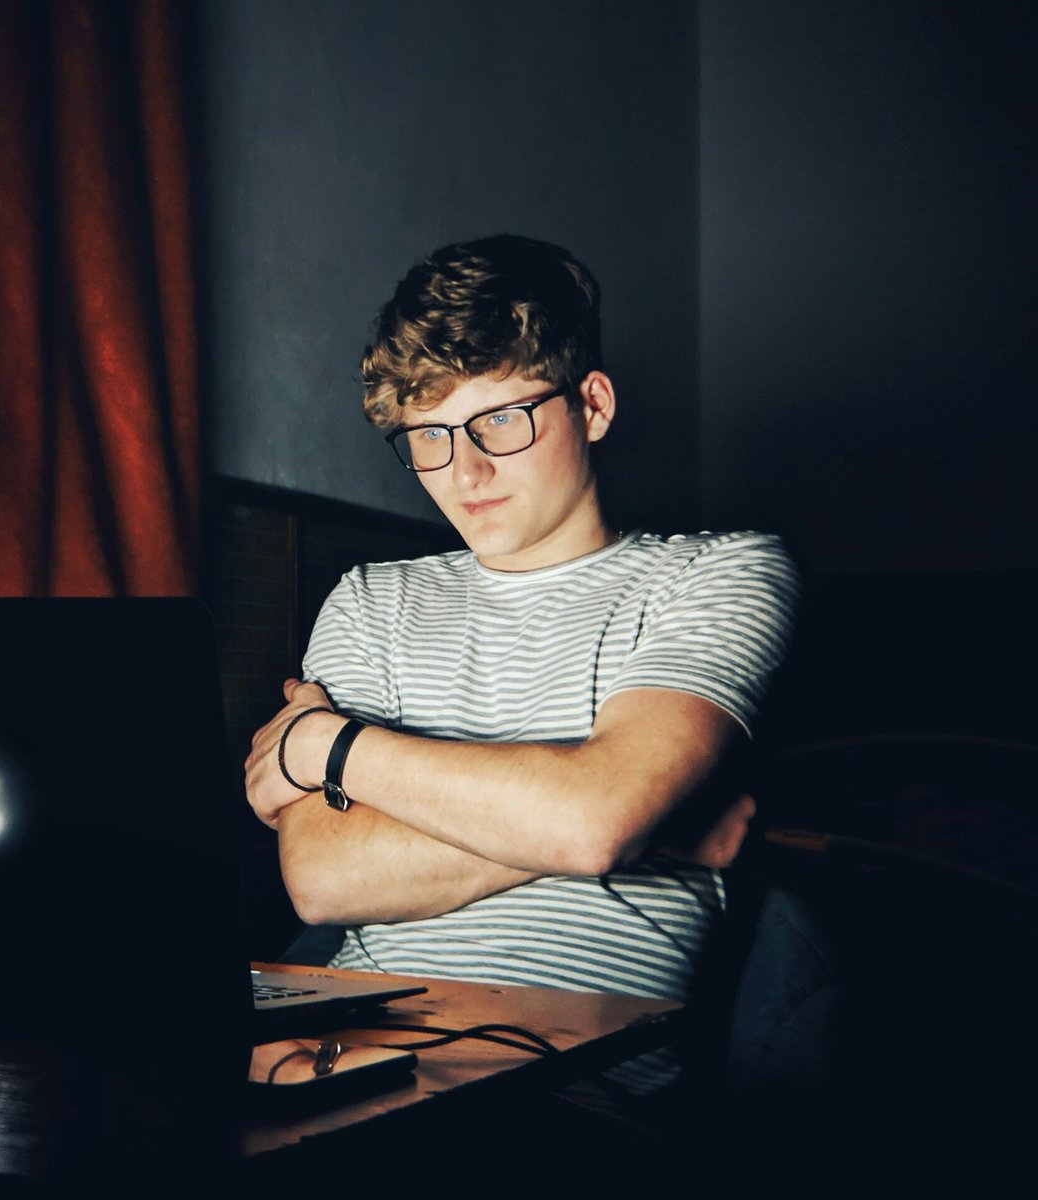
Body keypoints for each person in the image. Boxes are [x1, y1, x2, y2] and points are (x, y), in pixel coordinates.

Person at [243, 235, 799, 1062]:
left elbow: (594, 820)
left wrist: (327, 745)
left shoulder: (718, 573)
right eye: (429, 435)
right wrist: (645, 824)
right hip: (350, 1061)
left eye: (500, 418)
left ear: (594, 406)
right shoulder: (370, 598)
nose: (464, 471)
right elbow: (322, 879)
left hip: (576, 1095)